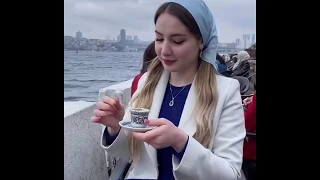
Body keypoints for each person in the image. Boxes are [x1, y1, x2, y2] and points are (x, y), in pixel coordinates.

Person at [92, 0, 246, 179]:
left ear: (201, 42)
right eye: (158, 39)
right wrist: (116, 128)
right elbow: (133, 153)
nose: (164, 50)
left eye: (177, 41)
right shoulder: (147, 82)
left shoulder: (226, 91)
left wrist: (181, 143)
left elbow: (230, 174)